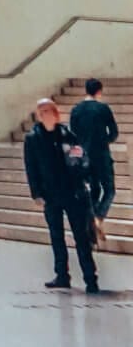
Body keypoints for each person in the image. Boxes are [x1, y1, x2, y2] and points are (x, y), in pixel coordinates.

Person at [23, 96, 99, 293]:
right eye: (43, 112)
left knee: (81, 237)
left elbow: (81, 157)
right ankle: (62, 275)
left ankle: (90, 278)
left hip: (73, 193)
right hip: (51, 194)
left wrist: (84, 177)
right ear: (39, 116)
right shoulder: (33, 138)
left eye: (50, 110)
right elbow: (31, 167)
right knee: (56, 236)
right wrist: (36, 193)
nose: (47, 114)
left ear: (56, 113)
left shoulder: (67, 134)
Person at [69, 77, 119, 249]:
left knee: (93, 192)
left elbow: (73, 135)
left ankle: (91, 237)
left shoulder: (76, 110)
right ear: (99, 91)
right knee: (110, 190)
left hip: (84, 157)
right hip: (102, 156)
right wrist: (103, 141)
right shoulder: (103, 108)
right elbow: (114, 132)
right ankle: (98, 217)